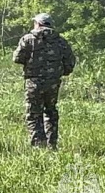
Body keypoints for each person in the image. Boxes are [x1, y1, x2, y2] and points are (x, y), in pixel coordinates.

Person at [12, 13, 76, 149]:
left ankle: (38, 146)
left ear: (38, 24)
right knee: (51, 111)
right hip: (53, 84)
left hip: (33, 83)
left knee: (34, 113)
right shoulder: (61, 41)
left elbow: (17, 58)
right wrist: (57, 73)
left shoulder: (28, 39)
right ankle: (51, 144)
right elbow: (69, 64)